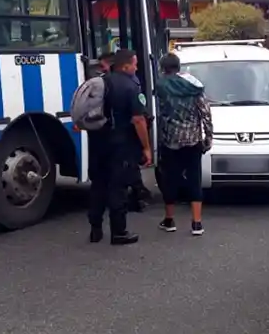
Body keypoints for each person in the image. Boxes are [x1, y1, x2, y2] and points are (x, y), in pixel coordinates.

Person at [88, 49, 151, 245]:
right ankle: (119, 232)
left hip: (98, 141)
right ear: (126, 66)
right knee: (118, 187)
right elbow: (138, 120)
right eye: (135, 64)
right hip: (120, 144)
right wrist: (146, 147)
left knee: (98, 185)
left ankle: (95, 230)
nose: (136, 68)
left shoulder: (102, 82)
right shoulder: (130, 86)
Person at [155, 53, 213, 236]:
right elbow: (205, 114)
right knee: (194, 179)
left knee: (169, 180)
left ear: (163, 68)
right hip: (193, 140)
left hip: (170, 141)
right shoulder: (194, 86)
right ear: (178, 66)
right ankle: (197, 223)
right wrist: (208, 138)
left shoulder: (161, 86)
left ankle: (169, 220)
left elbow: (160, 113)